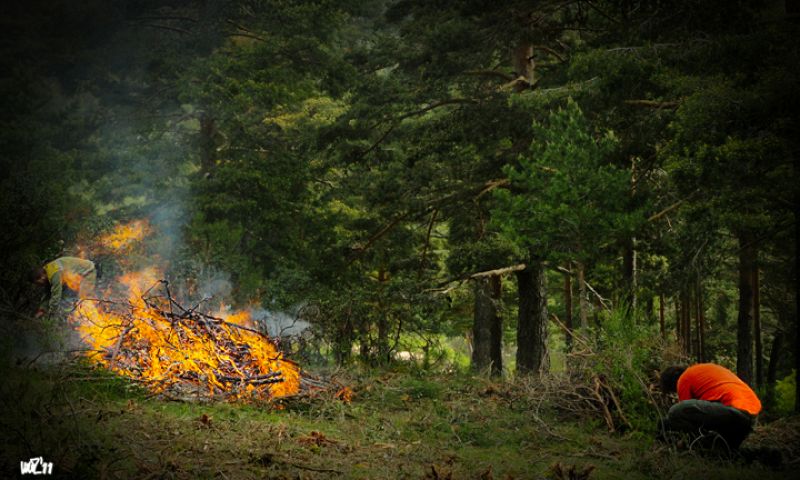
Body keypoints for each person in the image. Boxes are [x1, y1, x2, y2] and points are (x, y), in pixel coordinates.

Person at [659, 363, 761, 449]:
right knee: (717, 449)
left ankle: (695, 443)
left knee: (675, 411)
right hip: (750, 417)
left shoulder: (684, 378)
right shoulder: (705, 371)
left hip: (735, 411)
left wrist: (684, 441)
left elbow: (687, 415)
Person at [30, 256, 96, 318]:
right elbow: (48, 292)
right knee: (71, 300)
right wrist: (42, 309)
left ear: (42, 277)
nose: (38, 285)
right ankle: (73, 318)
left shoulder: (54, 274)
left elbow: (56, 295)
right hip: (79, 276)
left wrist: (52, 312)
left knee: (83, 301)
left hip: (88, 272)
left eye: (37, 283)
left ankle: (86, 321)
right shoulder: (48, 271)